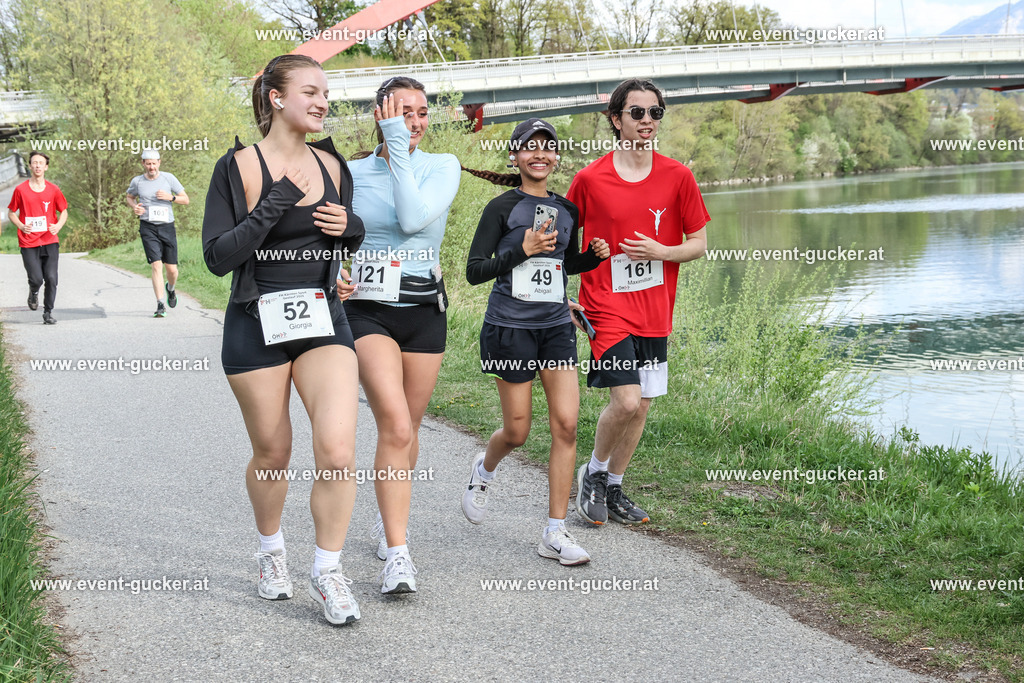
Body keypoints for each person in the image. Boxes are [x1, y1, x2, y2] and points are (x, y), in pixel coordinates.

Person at [202, 54, 365, 625]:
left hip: (324, 321)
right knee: (274, 453)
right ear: (276, 98)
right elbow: (218, 257)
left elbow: (349, 231)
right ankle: (272, 552)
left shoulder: (332, 163)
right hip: (255, 323)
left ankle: (328, 571)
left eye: (327, 93)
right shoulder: (237, 166)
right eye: (311, 91)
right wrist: (275, 201)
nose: (323, 102)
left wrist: (352, 233)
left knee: (339, 450)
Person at [461, 118, 610, 564]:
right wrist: (519, 251)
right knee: (518, 431)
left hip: (555, 328)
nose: (539, 154)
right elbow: (474, 271)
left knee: (566, 425)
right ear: (516, 155)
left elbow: (561, 266)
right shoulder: (501, 208)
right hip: (510, 328)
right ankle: (483, 470)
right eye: (530, 147)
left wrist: (591, 257)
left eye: (548, 147)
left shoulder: (567, 210)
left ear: (556, 156)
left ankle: (554, 531)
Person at [568, 78, 709, 526]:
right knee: (626, 401)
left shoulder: (678, 176)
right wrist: (562, 296)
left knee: (644, 403)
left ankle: (613, 487)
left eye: (655, 113)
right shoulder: (590, 179)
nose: (647, 121)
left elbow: (699, 243)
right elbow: (562, 246)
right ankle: (592, 473)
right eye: (638, 113)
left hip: (655, 308)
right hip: (605, 303)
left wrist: (662, 252)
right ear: (616, 119)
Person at [344, 76, 460, 594]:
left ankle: (388, 512)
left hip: (422, 310)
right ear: (379, 115)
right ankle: (397, 554)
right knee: (393, 423)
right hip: (367, 311)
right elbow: (327, 236)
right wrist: (332, 271)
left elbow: (413, 219)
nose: (414, 122)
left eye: (420, 113)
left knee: (407, 430)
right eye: (401, 113)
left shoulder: (442, 166)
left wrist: (398, 148)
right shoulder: (349, 173)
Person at [126, 149, 189, 317]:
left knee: (172, 270)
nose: (151, 167)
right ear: (143, 164)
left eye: (154, 163)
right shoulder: (137, 181)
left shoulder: (169, 178)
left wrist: (171, 197)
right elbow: (129, 197)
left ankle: (171, 288)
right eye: (148, 163)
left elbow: (186, 199)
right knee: (156, 265)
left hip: (167, 227)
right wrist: (135, 207)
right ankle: (160, 304)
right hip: (148, 227)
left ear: (159, 162)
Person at [7, 151, 67, 325]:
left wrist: (58, 226)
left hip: (49, 240)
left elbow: (63, 211)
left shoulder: (54, 189)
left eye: (41, 163)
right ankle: (33, 291)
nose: (38, 165)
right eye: (34, 162)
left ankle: (48, 312)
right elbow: (12, 212)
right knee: (36, 279)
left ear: (46, 167)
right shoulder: (21, 190)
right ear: (30, 166)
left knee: (51, 278)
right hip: (28, 241)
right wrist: (21, 226)